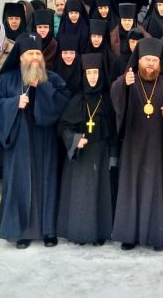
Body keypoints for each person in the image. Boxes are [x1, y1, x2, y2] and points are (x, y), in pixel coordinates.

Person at [0, 34, 71, 249]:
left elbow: (64, 101)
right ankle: (22, 232)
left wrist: (41, 88)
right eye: (30, 53)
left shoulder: (52, 78)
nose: (35, 57)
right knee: (20, 184)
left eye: (37, 53)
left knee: (47, 183)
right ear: (20, 57)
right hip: (19, 140)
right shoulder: (6, 80)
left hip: (46, 141)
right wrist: (14, 103)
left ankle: (49, 231)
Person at [110, 38, 163, 251]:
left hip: (158, 147)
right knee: (131, 188)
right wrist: (123, 83)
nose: (150, 64)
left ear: (160, 62)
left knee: (156, 190)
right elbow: (115, 97)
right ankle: (129, 235)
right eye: (146, 59)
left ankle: (157, 235)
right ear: (138, 60)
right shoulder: (129, 81)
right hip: (133, 145)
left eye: (154, 60)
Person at [57, 53, 117, 246]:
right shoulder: (77, 100)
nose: (92, 77)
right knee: (81, 195)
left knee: (100, 194)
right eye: (89, 73)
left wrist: (113, 157)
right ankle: (80, 234)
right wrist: (75, 140)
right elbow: (64, 126)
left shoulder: (106, 100)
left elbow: (114, 131)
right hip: (81, 156)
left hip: (101, 154)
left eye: (95, 73)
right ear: (84, 75)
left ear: (101, 74)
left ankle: (100, 234)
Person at [110, 3, 150, 69]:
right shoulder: (113, 36)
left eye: (129, 20)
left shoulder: (143, 35)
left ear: (133, 21)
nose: (127, 23)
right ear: (120, 21)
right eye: (124, 20)